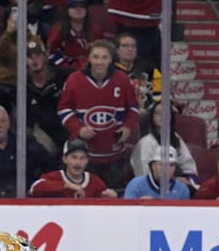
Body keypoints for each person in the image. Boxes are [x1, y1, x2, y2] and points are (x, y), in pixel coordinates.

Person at [58, 40, 140, 191]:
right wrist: (79, 128)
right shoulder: (74, 80)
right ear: (88, 58)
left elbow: (134, 108)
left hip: (114, 155)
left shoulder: (122, 79)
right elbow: (63, 110)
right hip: (85, 157)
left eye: (104, 57)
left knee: (113, 197)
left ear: (111, 59)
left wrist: (127, 127)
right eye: (95, 57)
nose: (99, 62)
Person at [0, 105, 53, 195]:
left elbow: (49, 165)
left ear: (9, 123)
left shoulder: (25, 142)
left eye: (3, 121)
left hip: (27, 196)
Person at [130, 100, 199, 189]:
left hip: (175, 185)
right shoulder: (145, 142)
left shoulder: (176, 138)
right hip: (152, 188)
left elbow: (188, 165)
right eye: (158, 113)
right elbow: (145, 175)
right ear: (152, 117)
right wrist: (174, 180)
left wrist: (188, 179)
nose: (162, 116)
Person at [26, 38, 74, 155]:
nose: (34, 60)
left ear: (45, 56)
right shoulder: (23, 84)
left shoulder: (63, 75)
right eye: (29, 57)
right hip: (44, 132)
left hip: (69, 127)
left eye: (37, 55)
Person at [29, 138, 117, 198]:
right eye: (74, 157)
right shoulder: (54, 176)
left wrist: (110, 196)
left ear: (87, 160)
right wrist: (67, 185)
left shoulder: (95, 181)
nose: (78, 163)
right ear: (64, 159)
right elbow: (34, 188)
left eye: (82, 158)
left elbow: (104, 198)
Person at [46, 0, 104, 71]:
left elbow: (102, 52)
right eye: (73, 6)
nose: (78, 9)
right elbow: (51, 54)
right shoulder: (57, 30)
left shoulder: (96, 30)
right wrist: (68, 68)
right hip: (64, 71)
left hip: (91, 70)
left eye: (82, 6)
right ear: (67, 10)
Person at [114, 32, 162, 111]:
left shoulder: (149, 70)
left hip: (146, 115)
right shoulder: (110, 70)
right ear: (117, 50)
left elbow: (160, 96)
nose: (130, 49)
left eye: (133, 46)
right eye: (125, 46)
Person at [123, 146, 191, 200]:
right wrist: (140, 206)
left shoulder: (182, 189)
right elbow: (127, 214)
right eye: (161, 164)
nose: (166, 169)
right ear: (153, 166)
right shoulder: (136, 185)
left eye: (171, 165)